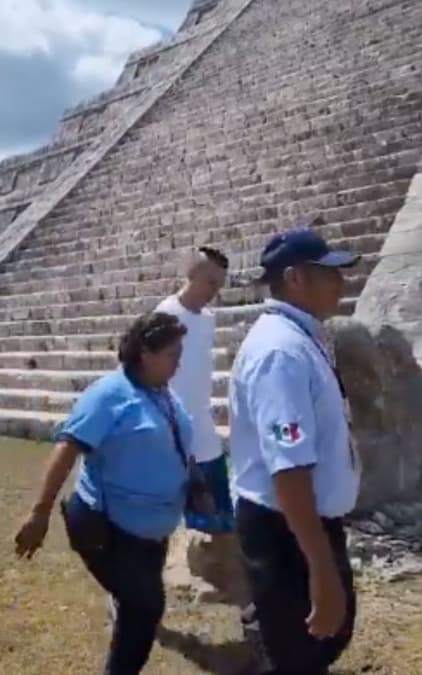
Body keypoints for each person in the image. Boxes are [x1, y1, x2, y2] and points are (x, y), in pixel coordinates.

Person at [13, 312, 196, 674]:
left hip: (150, 535)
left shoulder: (162, 393)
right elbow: (68, 447)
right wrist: (40, 512)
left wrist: (194, 485)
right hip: (108, 528)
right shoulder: (109, 395)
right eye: (172, 354)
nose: (179, 362)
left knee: (138, 612)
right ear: (145, 354)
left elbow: (175, 444)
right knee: (145, 607)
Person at [228, 228, 361, 674]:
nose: (340, 282)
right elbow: (288, 469)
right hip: (285, 528)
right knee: (299, 654)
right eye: (329, 272)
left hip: (302, 524)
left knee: (322, 641)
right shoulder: (279, 352)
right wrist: (319, 568)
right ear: (295, 277)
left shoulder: (299, 338)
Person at [156, 247, 229, 533]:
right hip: (178, 435)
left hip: (205, 429)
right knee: (198, 527)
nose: (214, 291)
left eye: (219, 285)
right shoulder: (166, 316)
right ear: (192, 274)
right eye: (210, 282)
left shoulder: (208, 319)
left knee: (224, 519)